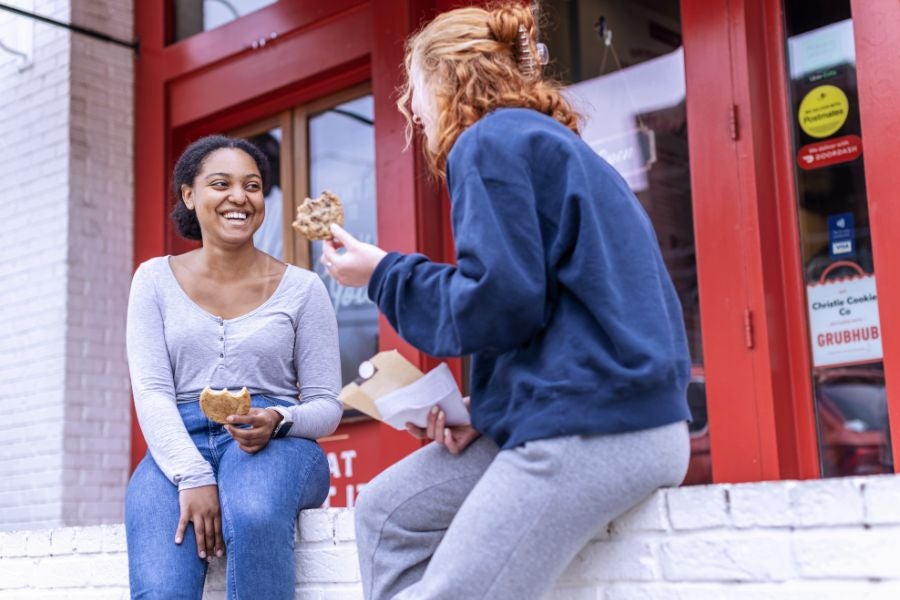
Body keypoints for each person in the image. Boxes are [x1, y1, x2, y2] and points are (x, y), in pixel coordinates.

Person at [322, 4, 693, 600]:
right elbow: (544, 309)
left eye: (411, 89)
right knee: (388, 514)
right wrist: (487, 409)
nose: (412, 110)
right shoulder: (542, 143)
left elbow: (496, 302)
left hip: (598, 426)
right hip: (598, 409)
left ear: (443, 80)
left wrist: (381, 273)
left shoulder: (488, 143)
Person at [124, 135, 342, 599]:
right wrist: (194, 475)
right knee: (161, 588)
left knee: (255, 512)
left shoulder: (304, 289)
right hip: (177, 444)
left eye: (253, 185)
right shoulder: (153, 281)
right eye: (220, 184)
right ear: (189, 194)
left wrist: (280, 420)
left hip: (273, 442)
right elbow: (152, 392)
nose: (239, 197)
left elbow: (327, 404)